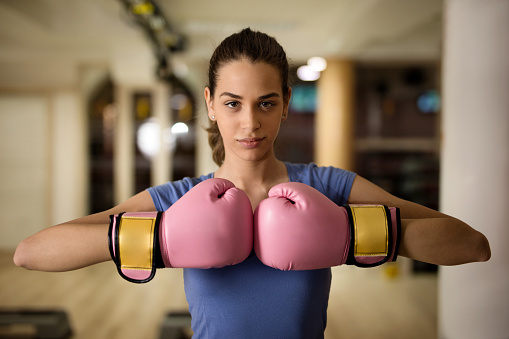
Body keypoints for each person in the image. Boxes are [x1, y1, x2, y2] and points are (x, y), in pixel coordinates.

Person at [14, 28, 491, 338]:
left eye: (265, 103)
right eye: (232, 103)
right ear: (210, 103)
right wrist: (160, 238)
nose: (249, 124)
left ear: (286, 102)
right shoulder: (176, 200)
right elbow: (31, 253)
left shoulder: (330, 188)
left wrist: (349, 235)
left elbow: (471, 244)